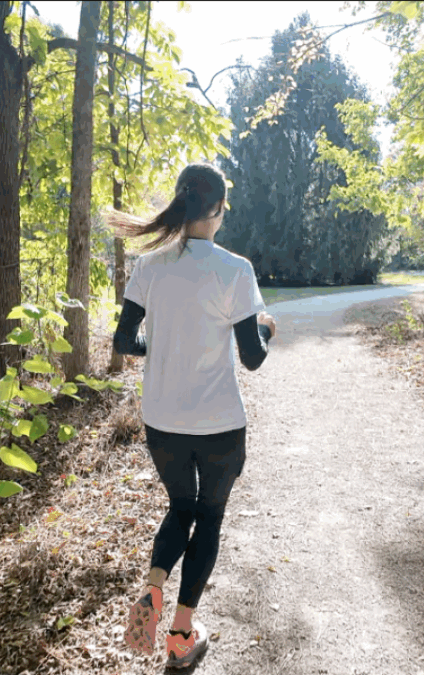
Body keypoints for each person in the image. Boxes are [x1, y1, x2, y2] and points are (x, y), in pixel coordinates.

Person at [110, 162, 277, 669]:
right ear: (219, 211)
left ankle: (153, 589)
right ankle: (182, 634)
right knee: (209, 517)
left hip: (163, 422)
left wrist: (160, 346)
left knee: (181, 506)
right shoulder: (236, 269)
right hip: (220, 424)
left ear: (182, 205)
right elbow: (252, 357)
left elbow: (122, 341)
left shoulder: (149, 265)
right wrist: (267, 329)